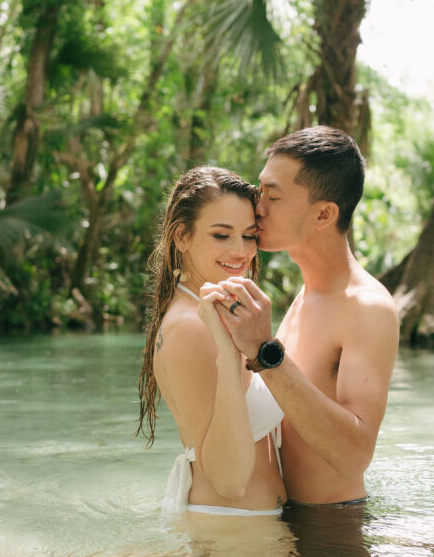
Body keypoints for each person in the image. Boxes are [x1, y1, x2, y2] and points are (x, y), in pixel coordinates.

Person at [213, 126, 400, 513]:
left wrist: (266, 352)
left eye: (273, 196)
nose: (257, 206)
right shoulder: (305, 294)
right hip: (285, 525)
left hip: (333, 534)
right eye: (259, 190)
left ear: (323, 214)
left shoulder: (367, 308)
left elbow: (353, 457)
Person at [137, 166, 286, 517]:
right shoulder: (193, 327)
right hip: (234, 534)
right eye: (222, 235)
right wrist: (227, 354)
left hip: (243, 530)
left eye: (249, 236)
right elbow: (229, 482)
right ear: (181, 237)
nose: (241, 251)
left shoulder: (206, 311)